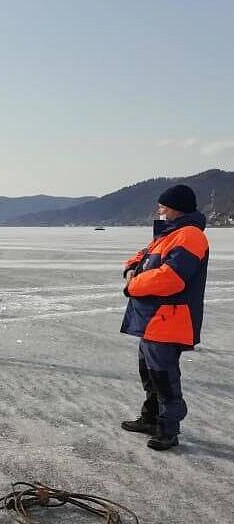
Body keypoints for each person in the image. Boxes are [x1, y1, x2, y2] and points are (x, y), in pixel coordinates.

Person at [120, 184, 209, 451]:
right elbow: (141, 257)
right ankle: (151, 418)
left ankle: (168, 429)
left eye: (163, 207)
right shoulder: (168, 234)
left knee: (163, 377)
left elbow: (171, 278)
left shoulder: (190, 236)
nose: (160, 211)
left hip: (169, 320)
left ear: (175, 208)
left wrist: (133, 285)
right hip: (151, 320)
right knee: (148, 373)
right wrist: (130, 269)